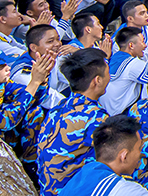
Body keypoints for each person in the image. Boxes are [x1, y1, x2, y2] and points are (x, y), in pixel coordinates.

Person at [39, 48, 138, 196]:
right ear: (97, 80)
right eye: (107, 73)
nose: (109, 77)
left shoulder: (58, 108)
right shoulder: (96, 118)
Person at [57, 115, 148, 196]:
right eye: (139, 149)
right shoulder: (118, 189)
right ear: (124, 156)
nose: (140, 155)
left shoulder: (88, 171)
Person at [11, 23, 72, 110]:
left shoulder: (48, 57)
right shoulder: (22, 72)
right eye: (50, 41)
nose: (58, 44)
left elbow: (69, 77)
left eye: (58, 39)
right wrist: (73, 105)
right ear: (34, 48)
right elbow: (46, 99)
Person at [100, 26, 148, 115]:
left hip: (105, 113)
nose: (145, 46)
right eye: (142, 42)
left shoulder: (114, 57)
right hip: (118, 117)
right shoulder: (133, 64)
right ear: (131, 45)